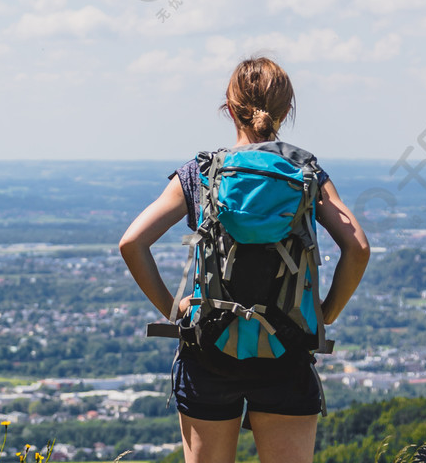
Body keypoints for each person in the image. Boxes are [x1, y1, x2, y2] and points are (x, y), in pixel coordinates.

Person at [119, 57, 370, 463]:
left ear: (229, 107)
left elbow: (132, 243)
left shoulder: (201, 174)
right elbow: (357, 248)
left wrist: (172, 308)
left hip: (209, 350)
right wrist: (325, 314)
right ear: (286, 111)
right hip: (286, 349)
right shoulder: (306, 174)